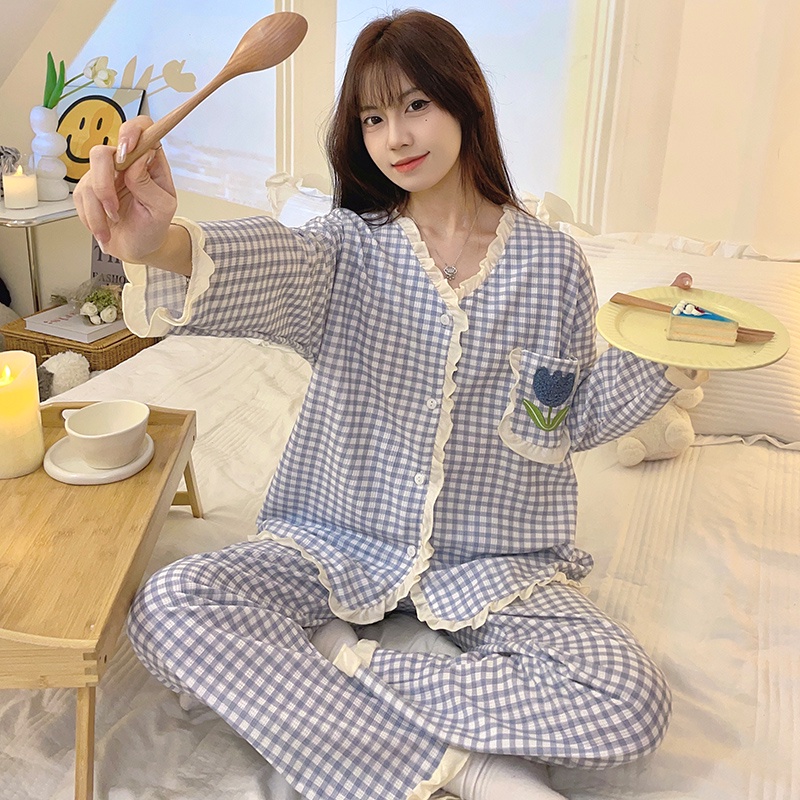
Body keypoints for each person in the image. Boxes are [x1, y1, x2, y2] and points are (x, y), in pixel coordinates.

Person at [74, 10, 703, 800]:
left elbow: (563, 420)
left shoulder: (553, 265)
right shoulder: (346, 247)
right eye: (372, 118)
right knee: (170, 606)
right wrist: (160, 244)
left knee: (629, 702)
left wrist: (663, 354)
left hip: (490, 561)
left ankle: (337, 666)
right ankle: (470, 768)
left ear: (465, 101)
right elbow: (271, 267)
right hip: (336, 539)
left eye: (415, 105)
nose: (395, 136)